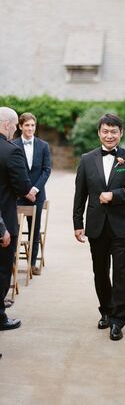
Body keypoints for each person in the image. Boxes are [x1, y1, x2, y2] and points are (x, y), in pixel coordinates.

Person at [73, 113, 125, 341]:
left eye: (114, 131)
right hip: (96, 226)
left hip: (123, 226)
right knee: (100, 271)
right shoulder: (86, 160)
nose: (110, 135)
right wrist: (78, 223)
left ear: (121, 133)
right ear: (99, 133)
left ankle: (117, 320)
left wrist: (113, 196)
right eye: (105, 131)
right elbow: (80, 194)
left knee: (122, 273)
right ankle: (105, 309)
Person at [0, 106, 34, 331]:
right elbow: (22, 185)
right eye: (13, 126)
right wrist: (30, 193)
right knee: (2, 271)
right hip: (3, 222)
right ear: (6, 124)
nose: (14, 130)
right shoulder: (10, 151)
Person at [13, 113, 51, 276]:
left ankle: (32, 262)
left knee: (34, 228)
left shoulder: (43, 146)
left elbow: (46, 170)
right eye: (27, 125)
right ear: (20, 126)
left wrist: (34, 190)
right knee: (14, 228)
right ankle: (13, 261)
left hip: (37, 194)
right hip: (18, 195)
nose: (30, 128)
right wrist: (24, 191)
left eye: (32, 125)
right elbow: (13, 172)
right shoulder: (13, 145)